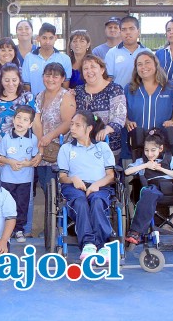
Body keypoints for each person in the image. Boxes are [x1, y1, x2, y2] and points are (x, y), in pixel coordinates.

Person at [57, 111, 116, 262]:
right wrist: (74, 179)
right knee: (80, 202)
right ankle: (89, 243)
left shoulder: (102, 147)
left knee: (97, 201)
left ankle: (102, 245)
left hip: (100, 186)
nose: (73, 128)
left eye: (77, 125)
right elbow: (62, 177)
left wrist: (96, 185)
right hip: (74, 187)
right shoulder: (66, 149)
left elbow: (110, 175)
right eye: (71, 125)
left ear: (89, 128)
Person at [124, 128, 173, 247]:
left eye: (153, 150)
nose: (149, 153)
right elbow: (127, 172)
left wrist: (160, 168)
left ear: (160, 149)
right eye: (146, 150)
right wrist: (146, 165)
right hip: (154, 186)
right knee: (148, 193)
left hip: (172, 186)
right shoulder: (141, 161)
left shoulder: (169, 158)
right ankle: (136, 231)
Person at [0, 105, 41, 243]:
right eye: (18, 118)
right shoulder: (7, 138)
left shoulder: (33, 139)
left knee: (22, 204)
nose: (21, 122)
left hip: (25, 180)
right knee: (7, 204)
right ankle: (6, 231)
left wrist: (28, 163)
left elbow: (35, 159)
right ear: (13, 120)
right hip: (7, 179)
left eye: (25, 119)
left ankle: (19, 230)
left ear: (31, 124)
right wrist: (10, 161)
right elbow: (0, 157)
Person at [34, 63, 76, 194]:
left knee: (54, 189)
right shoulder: (39, 96)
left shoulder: (66, 96)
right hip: (42, 149)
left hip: (60, 150)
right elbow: (36, 122)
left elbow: (68, 122)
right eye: (47, 75)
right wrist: (41, 143)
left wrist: (49, 136)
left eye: (55, 76)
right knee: (45, 186)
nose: (51, 79)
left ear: (63, 79)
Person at [74, 55, 126, 157]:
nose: (89, 71)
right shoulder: (78, 91)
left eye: (93, 67)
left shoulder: (114, 89)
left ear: (102, 70)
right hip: (82, 148)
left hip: (108, 147)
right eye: (85, 68)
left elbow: (120, 117)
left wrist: (106, 130)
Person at [0, 63, 36, 155]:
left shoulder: (27, 98)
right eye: (6, 80)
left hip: (24, 153)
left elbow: (36, 125)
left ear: (19, 80)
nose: (11, 84)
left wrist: (39, 152)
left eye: (14, 80)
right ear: (1, 81)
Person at [125, 51, 173, 134]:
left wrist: (172, 121)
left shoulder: (170, 87)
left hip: (162, 141)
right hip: (136, 140)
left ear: (156, 65)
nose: (143, 67)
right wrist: (127, 122)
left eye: (147, 62)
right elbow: (121, 114)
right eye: (139, 64)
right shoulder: (129, 89)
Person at [22, 22, 72, 95]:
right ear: (38, 38)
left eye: (51, 38)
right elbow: (26, 85)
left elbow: (65, 85)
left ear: (55, 38)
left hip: (57, 104)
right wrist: (31, 103)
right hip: (34, 103)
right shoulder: (29, 58)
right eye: (44, 38)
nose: (47, 42)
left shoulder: (65, 59)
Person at [105, 15, 151, 89]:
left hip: (143, 97)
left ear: (138, 31)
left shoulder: (148, 52)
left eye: (131, 29)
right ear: (120, 32)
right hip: (119, 97)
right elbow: (108, 79)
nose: (128, 32)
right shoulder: (112, 53)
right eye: (124, 29)